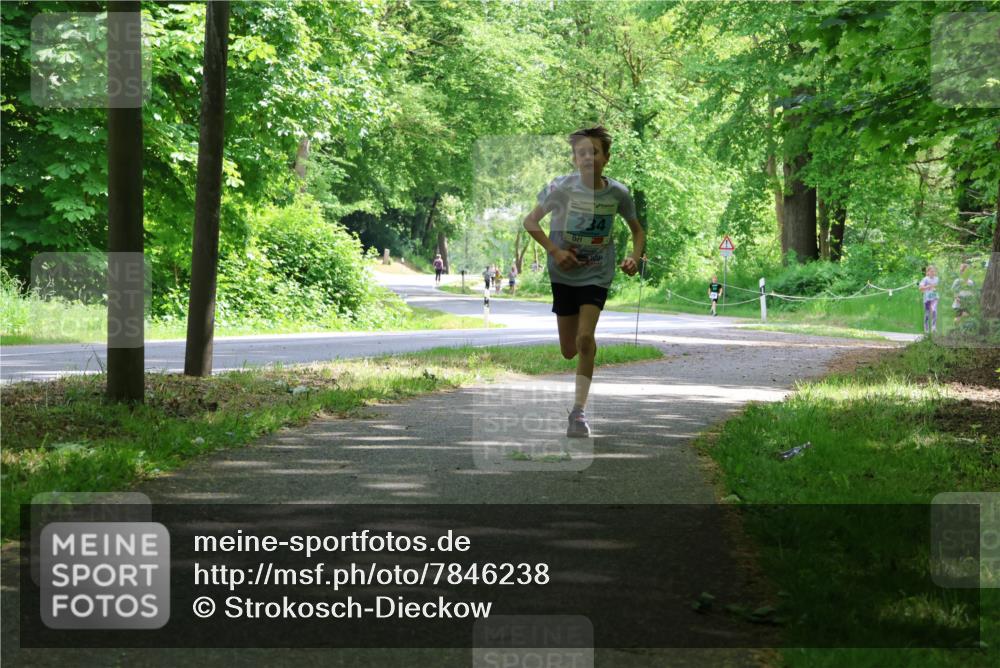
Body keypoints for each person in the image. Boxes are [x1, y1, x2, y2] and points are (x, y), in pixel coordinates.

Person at [522, 124, 645, 438]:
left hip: (597, 273)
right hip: (563, 273)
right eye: (581, 153)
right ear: (574, 159)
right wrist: (555, 250)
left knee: (585, 339)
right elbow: (531, 221)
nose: (588, 158)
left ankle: (578, 413)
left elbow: (637, 231)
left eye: (594, 152)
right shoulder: (560, 187)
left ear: (606, 156)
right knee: (568, 349)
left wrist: (634, 257)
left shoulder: (618, 193)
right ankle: (578, 391)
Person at [919, 265, 940, 334]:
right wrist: (927, 287)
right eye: (931, 271)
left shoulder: (937, 279)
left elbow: (940, 287)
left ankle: (934, 327)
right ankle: (926, 329)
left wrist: (936, 288)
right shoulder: (925, 279)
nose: (933, 273)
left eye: (934, 271)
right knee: (927, 314)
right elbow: (920, 288)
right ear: (928, 272)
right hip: (927, 298)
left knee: (934, 310)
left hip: (934, 297)